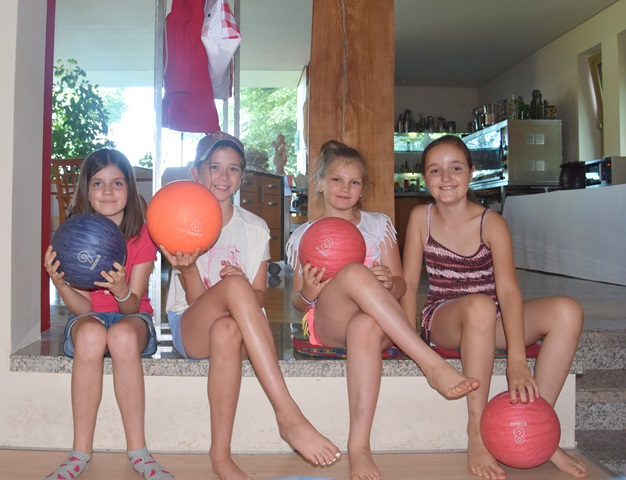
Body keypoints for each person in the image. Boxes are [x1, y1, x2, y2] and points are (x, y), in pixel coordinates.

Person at [286, 140, 480, 480]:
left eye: (354, 182)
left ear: (363, 189)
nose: (345, 188)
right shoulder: (304, 234)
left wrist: (390, 282)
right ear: (319, 183)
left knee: (364, 324)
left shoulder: (378, 225)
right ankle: (430, 363)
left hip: (376, 327)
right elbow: (298, 303)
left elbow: (402, 285)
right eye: (336, 180)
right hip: (329, 324)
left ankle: (359, 446)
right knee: (353, 272)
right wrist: (309, 292)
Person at [401, 135, 587, 480]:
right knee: (479, 307)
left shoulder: (492, 223)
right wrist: (410, 341)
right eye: (435, 170)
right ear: (424, 179)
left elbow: (509, 291)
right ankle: (477, 431)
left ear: (471, 173)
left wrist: (517, 360)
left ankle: (537, 425)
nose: (446, 177)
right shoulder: (420, 218)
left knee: (568, 310)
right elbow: (410, 284)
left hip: (490, 315)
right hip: (442, 317)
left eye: (456, 168)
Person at [163, 131, 341, 480]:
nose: (223, 176)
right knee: (233, 288)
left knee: (228, 328)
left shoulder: (256, 228)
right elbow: (197, 301)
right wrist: (190, 271)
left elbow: (259, 297)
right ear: (196, 172)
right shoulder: (179, 222)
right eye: (214, 166)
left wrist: (241, 286)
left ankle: (220, 457)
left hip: (239, 329)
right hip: (191, 325)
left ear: (242, 176)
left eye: (233, 169)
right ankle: (288, 413)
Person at [43, 149, 173, 479]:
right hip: (90, 318)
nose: (108, 191)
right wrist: (60, 283)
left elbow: (132, 306)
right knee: (90, 334)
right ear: (86, 190)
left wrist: (121, 289)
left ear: (129, 188)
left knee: (122, 335)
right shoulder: (74, 236)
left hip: (132, 316)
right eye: (98, 183)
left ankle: (139, 452)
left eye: (117, 183)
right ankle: (79, 454)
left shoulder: (143, 235)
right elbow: (84, 309)